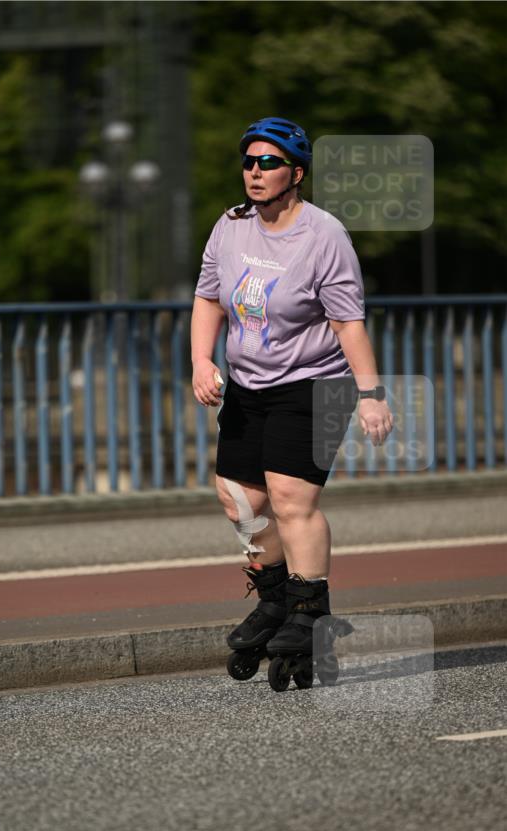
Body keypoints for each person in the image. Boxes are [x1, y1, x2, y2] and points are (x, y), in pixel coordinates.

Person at [190, 116, 394, 688]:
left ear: (295, 173)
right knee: (238, 502)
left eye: (269, 163)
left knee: (288, 497)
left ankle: (309, 614)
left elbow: (347, 322)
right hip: (249, 384)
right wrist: (202, 361)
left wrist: (370, 394)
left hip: (315, 383)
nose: (255, 173)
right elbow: (208, 297)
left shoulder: (324, 235)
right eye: (249, 162)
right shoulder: (230, 228)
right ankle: (277, 600)